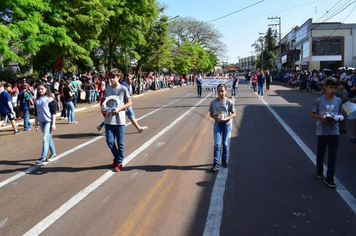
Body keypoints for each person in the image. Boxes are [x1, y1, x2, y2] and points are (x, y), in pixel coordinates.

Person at [311, 78, 342, 188]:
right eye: (331, 88)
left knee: (333, 154)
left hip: (334, 130)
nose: (333, 90)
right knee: (321, 152)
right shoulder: (319, 100)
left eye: (335, 88)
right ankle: (319, 170)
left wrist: (338, 118)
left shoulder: (338, 100)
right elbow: (312, 113)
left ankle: (330, 178)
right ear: (326, 88)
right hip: (322, 130)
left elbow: (339, 114)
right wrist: (321, 117)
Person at [102, 68, 132, 172]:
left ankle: (119, 162)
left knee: (120, 143)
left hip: (120, 120)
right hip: (109, 120)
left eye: (114, 77)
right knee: (109, 141)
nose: (112, 80)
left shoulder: (123, 89)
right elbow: (104, 102)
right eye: (110, 78)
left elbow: (129, 103)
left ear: (118, 77)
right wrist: (104, 109)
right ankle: (117, 157)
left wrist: (119, 108)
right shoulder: (107, 90)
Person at [209, 84, 236, 172]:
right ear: (217, 92)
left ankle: (224, 160)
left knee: (225, 143)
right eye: (219, 91)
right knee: (217, 144)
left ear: (226, 91)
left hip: (226, 124)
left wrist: (226, 118)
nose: (221, 93)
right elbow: (211, 114)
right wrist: (217, 118)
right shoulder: (213, 103)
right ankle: (216, 162)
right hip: (218, 124)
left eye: (222, 91)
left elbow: (234, 113)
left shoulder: (229, 102)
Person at [34, 82, 57, 164]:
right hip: (41, 121)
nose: (40, 90)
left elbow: (53, 112)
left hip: (48, 121)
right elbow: (36, 113)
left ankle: (43, 157)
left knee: (44, 138)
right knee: (48, 137)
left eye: (42, 89)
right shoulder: (36, 100)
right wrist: (36, 124)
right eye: (39, 89)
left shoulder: (50, 99)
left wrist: (53, 123)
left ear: (46, 89)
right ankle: (53, 153)